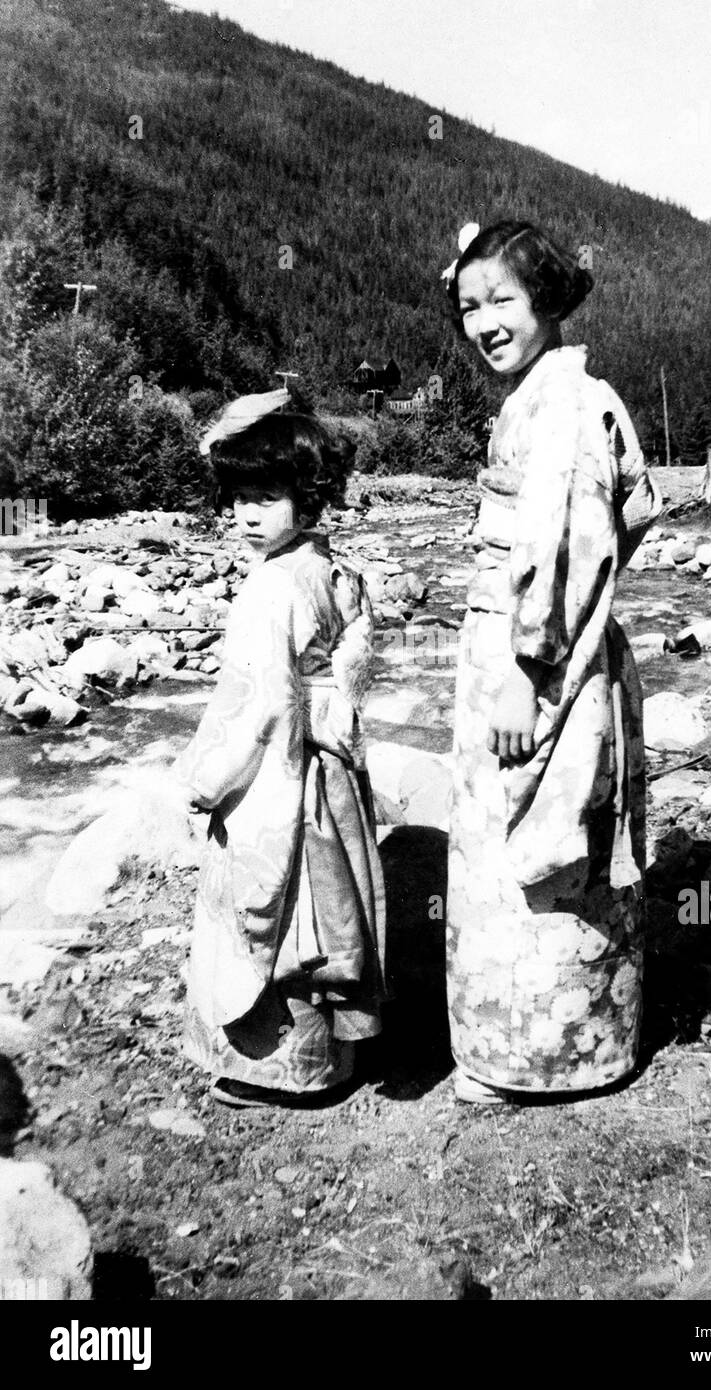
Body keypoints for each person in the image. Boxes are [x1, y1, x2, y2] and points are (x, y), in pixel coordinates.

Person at [442, 220, 662, 1103]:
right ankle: (535, 1050)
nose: (484, 322)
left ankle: (543, 1059)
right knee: (520, 844)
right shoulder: (544, 394)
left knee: (535, 845)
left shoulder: (565, 405)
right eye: (468, 306)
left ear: (547, 301)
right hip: (528, 642)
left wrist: (527, 671)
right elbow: (632, 520)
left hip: (536, 657)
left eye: (502, 300)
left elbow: (572, 546)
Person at [174, 390, 387, 1107]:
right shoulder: (332, 570)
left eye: (266, 497)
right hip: (329, 769)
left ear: (309, 498)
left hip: (281, 776)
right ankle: (338, 1060)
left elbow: (261, 704)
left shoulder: (268, 588)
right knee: (330, 910)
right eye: (238, 498)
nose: (245, 513)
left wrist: (212, 780)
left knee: (280, 915)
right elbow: (353, 664)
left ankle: (291, 1075)